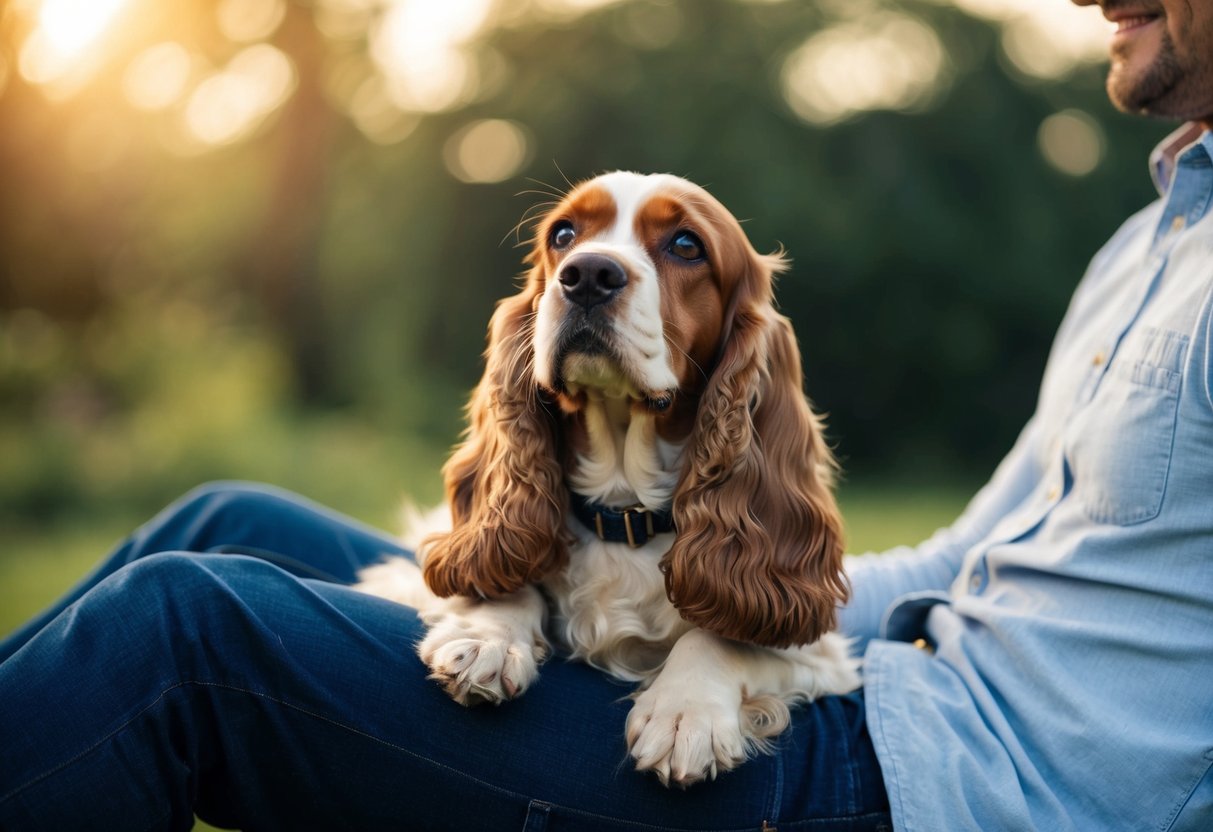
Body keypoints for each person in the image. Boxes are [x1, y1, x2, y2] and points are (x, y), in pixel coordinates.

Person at [2, 0, 1211, 828]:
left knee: (182, 636)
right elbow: (972, 553)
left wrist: (733, 650)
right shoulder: (1146, 243)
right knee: (222, 520)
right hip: (882, 693)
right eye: (571, 244)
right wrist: (753, 610)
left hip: (912, 790)